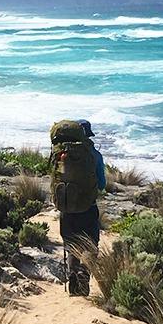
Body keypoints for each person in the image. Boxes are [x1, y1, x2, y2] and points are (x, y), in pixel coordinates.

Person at [48, 117, 106, 295]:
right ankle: (83, 275)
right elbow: (102, 184)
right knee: (90, 245)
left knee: (71, 244)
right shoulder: (93, 155)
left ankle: (73, 280)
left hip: (66, 207)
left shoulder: (59, 154)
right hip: (88, 207)